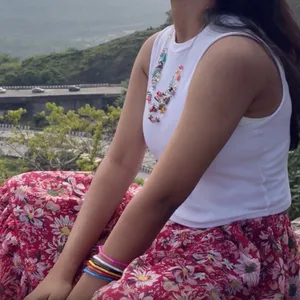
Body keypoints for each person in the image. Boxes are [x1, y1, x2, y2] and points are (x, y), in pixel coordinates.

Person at [1, 0, 300, 299]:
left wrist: (86, 288)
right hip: (168, 224)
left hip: (231, 246)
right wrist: (61, 274)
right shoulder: (158, 47)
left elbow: (164, 196)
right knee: (21, 196)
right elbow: (119, 162)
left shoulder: (233, 54)